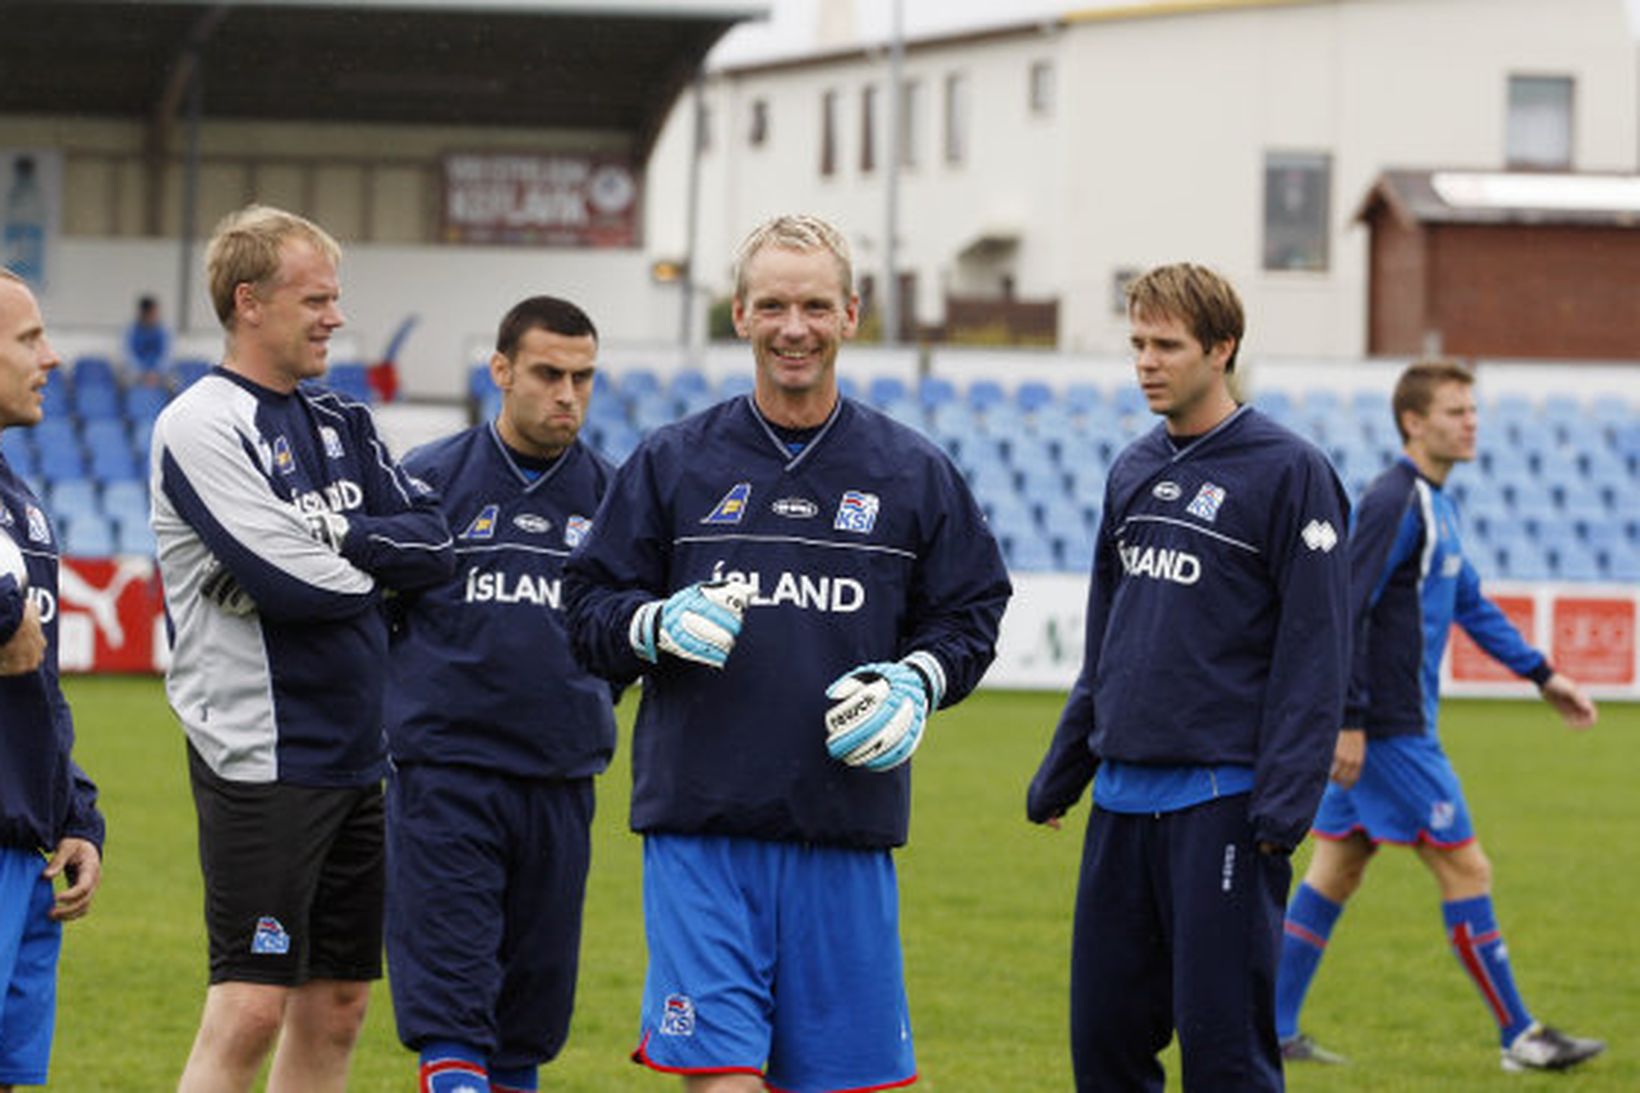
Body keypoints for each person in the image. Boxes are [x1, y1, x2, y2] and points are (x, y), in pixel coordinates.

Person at [564, 213, 1011, 1093]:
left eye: (813, 305)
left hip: (844, 828)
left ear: (852, 312)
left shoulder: (911, 471)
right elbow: (586, 608)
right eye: (772, 304)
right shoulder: (671, 464)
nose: (793, 327)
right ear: (739, 314)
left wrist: (918, 680)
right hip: (703, 826)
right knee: (723, 1077)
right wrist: (649, 625)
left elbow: (971, 612)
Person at [149, 205, 454, 1093]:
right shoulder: (201, 422)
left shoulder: (342, 420)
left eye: (336, 297)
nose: (335, 316)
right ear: (249, 302)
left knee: (340, 1002)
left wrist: (333, 539)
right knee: (249, 1005)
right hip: (260, 754)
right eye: (316, 298)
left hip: (360, 753)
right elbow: (293, 587)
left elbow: (434, 548)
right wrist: (362, 564)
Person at [1027, 262, 1351, 1092]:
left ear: (1222, 348)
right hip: (1121, 807)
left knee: (1225, 1057)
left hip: (1223, 805)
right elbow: (1110, 637)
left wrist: (1281, 808)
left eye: (1166, 344)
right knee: (1104, 1049)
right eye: (1137, 342)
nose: (1145, 361)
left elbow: (1316, 649)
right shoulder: (1132, 467)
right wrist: (1065, 770)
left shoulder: (1289, 471)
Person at [1275, 359, 1604, 1073]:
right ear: (1413, 423)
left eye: (1472, 409)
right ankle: (1520, 1035)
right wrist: (1351, 718)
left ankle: (1270, 1026)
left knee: (1336, 868)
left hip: (1393, 724)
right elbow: (1347, 605)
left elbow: (1472, 605)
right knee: (1467, 866)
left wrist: (1544, 675)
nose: (1471, 421)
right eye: (1456, 411)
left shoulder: (1438, 504)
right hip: (1389, 731)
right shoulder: (1395, 501)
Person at [382, 295, 617, 1093]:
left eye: (583, 378)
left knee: (526, 1023)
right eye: (549, 374)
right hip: (446, 778)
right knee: (453, 1017)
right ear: (502, 371)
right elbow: (373, 622)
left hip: (560, 779)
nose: (568, 395)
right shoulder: (426, 483)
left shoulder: (614, 501)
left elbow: (624, 640)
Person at [0, 268, 104, 1092]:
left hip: (26, 851)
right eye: (29, 338)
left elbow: (42, 685)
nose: (53, 358)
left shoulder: (22, 504)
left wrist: (76, 811)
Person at [123, 294, 170, 385]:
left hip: (159, 373)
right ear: (144, 313)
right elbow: (128, 355)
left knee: (174, 382)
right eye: (153, 313)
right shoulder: (131, 331)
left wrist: (156, 372)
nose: (156, 315)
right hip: (137, 373)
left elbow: (166, 355)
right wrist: (143, 373)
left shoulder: (163, 331)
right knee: (124, 382)